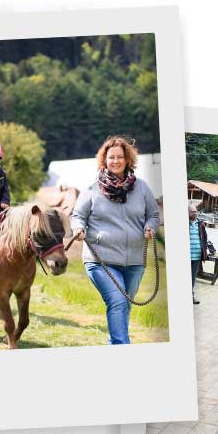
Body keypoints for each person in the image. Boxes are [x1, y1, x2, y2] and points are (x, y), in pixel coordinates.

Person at [70, 136, 160, 345]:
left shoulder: (142, 188)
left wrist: (150, 227)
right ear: (104, 160)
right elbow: (77, 216)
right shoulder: (92, 189)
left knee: (123, 306)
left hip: (135, 261)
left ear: (128, 159)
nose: (116, 161)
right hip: (101, 259)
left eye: (120, 157)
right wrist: (78, 228)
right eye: (111, 157)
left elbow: (153, 215)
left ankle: (115, 345)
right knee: (118, 302)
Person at [189, 203, 208, 305]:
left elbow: (205, 238)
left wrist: (204, 250)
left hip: (196, 256)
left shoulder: (200, 224)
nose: (195, 213)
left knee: (192, 277)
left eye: (195, 211)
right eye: (192, 212)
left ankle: (191, 296)